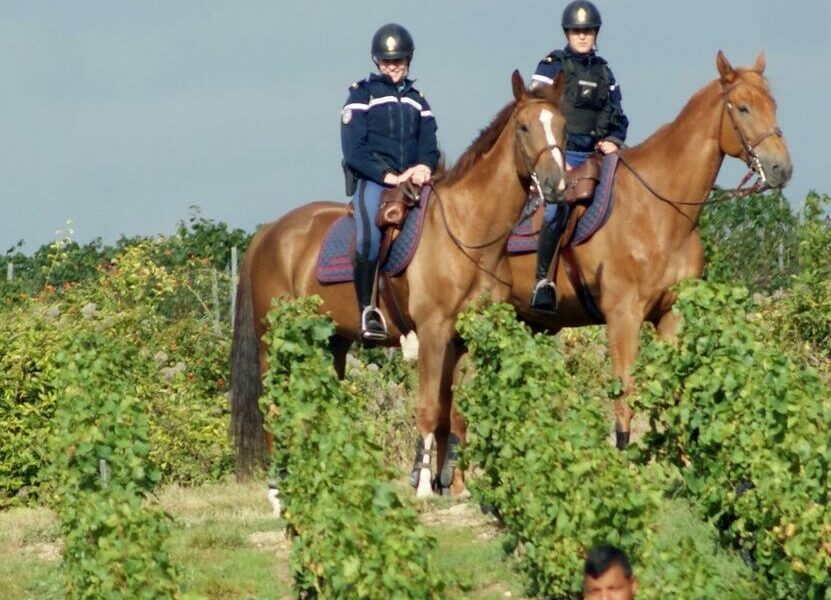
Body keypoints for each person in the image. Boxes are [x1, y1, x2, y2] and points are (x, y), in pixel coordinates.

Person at [340, 23, 439, 342]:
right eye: (386, 61)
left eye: (397, 61)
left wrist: (424, 166)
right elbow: (354, 150)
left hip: (413, 181)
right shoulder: (361, 93)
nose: (392, 66)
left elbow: (429, 143)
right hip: (375, 181)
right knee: (369, 237)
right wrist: (388, 176)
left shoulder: (418, 100)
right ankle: (367, 310)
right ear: (377, 62)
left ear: (408, 60)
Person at [528, 0, 629, 313]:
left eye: (587, 31)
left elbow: (619, 117)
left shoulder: (605, 72)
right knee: (556, 208)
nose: (582, 36)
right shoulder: (551, 65)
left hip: (597, 154)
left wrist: (613, 139)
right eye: (576, 31)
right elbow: (535, 112)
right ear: (567, 34)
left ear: (595, 34)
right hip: (561, 152)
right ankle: (543, 281)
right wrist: (555, 158)